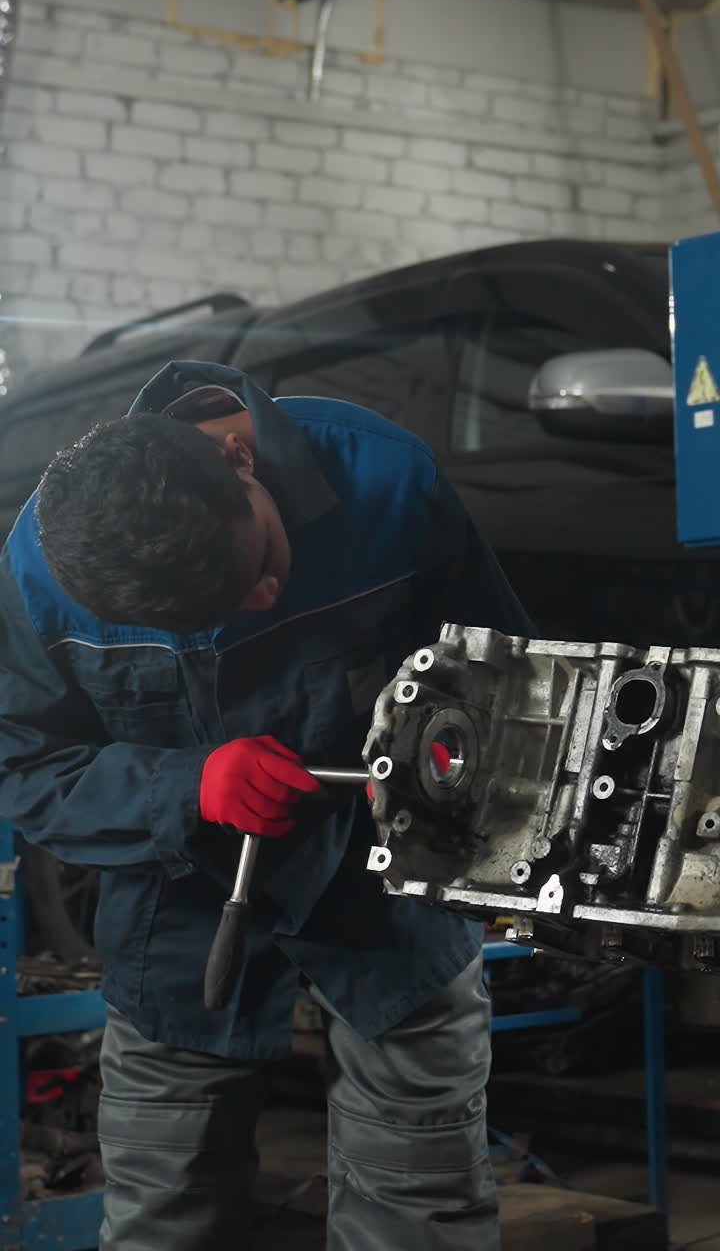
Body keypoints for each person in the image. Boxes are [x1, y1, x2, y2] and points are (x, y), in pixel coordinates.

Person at [0, 360, 532, 1251]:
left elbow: (506, 684)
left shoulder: (386, 481)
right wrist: (186, 786)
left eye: (262, 568)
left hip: (390, 887)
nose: (262, 599)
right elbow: (21, 762)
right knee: (165, 1216)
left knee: (420, 1212)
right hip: (181, 906)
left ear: (240, 458)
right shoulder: (40, 568)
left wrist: (441, 764)